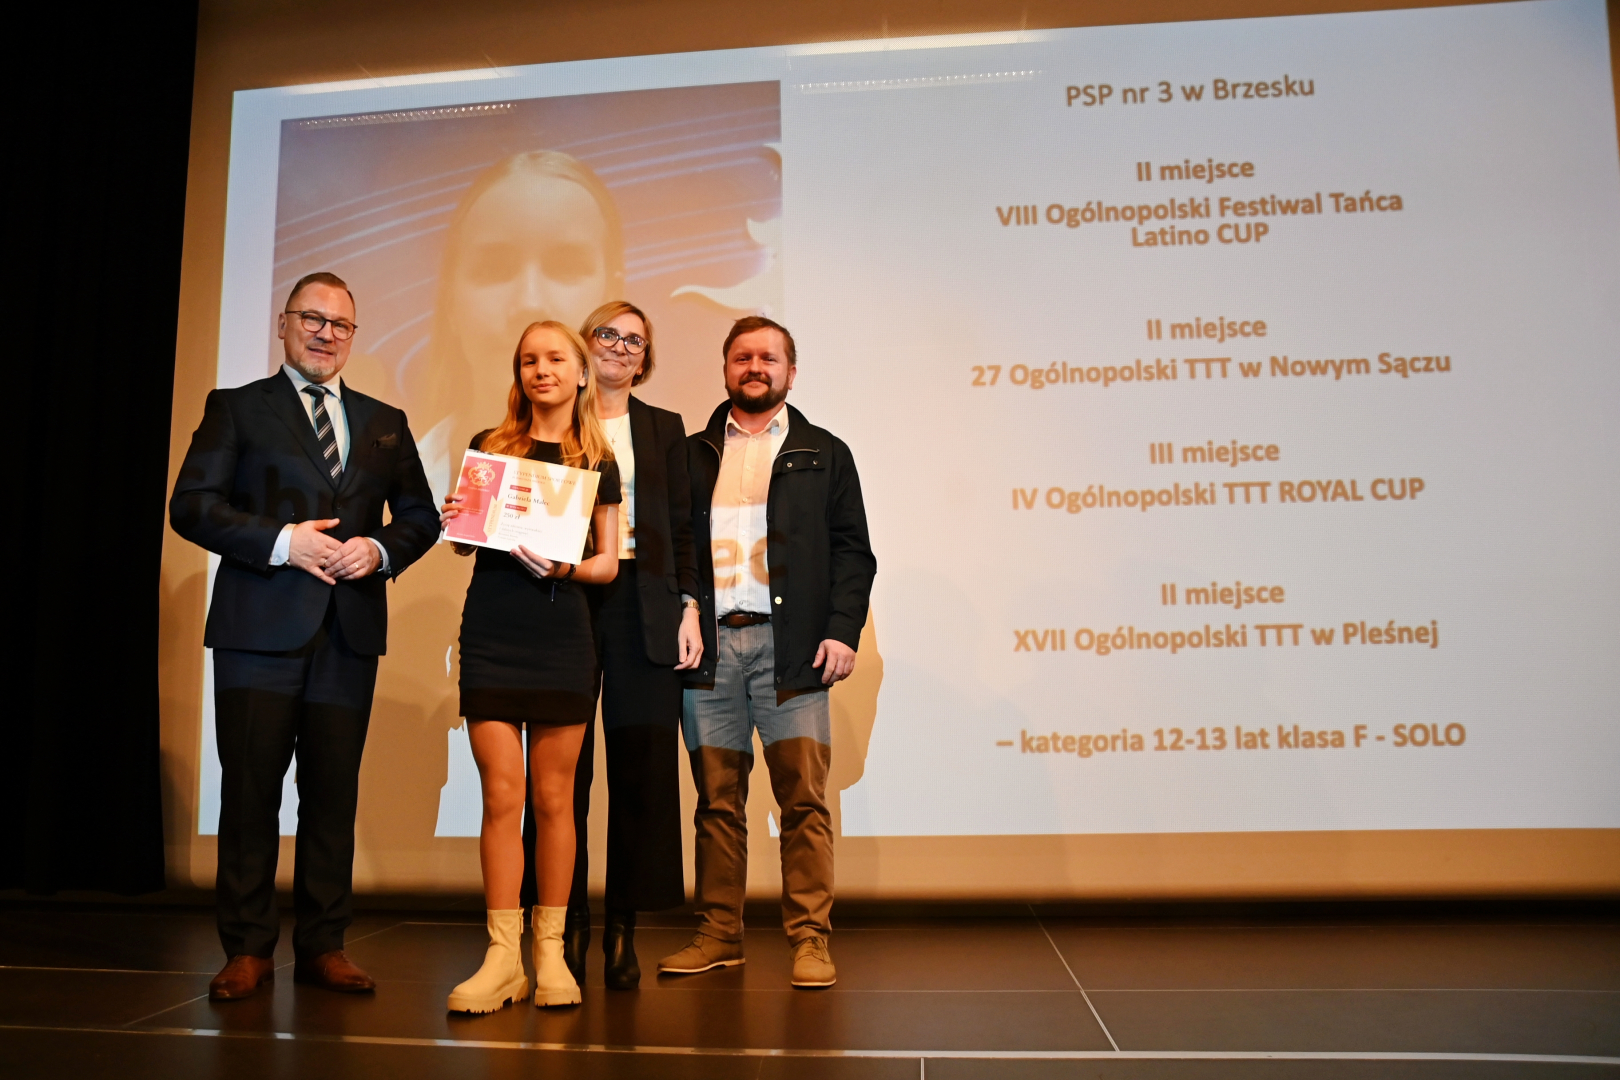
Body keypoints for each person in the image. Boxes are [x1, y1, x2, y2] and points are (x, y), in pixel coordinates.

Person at [170, 271, 440, 1001]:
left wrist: (378, 550)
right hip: (257, 633)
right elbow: (191, 505)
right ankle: (247, 949)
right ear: (284, 324)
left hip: (348, 636)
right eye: (312, 319)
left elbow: (421, 516)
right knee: (251, 793)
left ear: (353, 336)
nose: (326, 334)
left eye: (340, 324)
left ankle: (325, 944)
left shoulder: (385, 419)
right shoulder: (237, 408)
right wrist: (284, 541)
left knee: (331, 795)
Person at [658, 316, 876, 989]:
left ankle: (810, 940)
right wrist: (682, 610)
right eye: (743, 357)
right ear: (726, 368)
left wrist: (841, 630)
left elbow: (853, 553)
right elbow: (672, 549)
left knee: (803, 802)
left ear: (791, 371)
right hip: (710, 652)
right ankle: (719, 934)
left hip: (794, 653)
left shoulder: (825, 452)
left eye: (769, 358)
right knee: (716, 802)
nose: (755, 367)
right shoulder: (690, 455)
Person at [439, 320, 621, 1013]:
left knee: (553, 801)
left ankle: (549, 953)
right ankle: (500, 957)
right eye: (527, 361)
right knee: (500, 798)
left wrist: (566, 567)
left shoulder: (597, 459)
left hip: (562, 637)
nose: (540, 370)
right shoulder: (491, 446)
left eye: (554, 359)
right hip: (492, 633)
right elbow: (466, 545)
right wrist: (458, 518)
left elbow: (608, 563)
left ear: (581, 372)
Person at [556, 302, 703, 991]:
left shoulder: (664, 428)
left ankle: (621, 930)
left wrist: (689, 606)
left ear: (645, 360)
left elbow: (684, 527)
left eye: (634, 341)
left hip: (645, 604)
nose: (619, 347)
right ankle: (566, 927)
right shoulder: (552, 416)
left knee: (641, 772)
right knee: (565, 773)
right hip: (564, 599)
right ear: (585, 345)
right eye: (607, 334)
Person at [412, 151, 624, 502]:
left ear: (610, 296)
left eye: (565, 267)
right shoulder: (404, 470)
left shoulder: (633, 460)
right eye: (494, 268)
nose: (529, 302)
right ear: (450, 300)